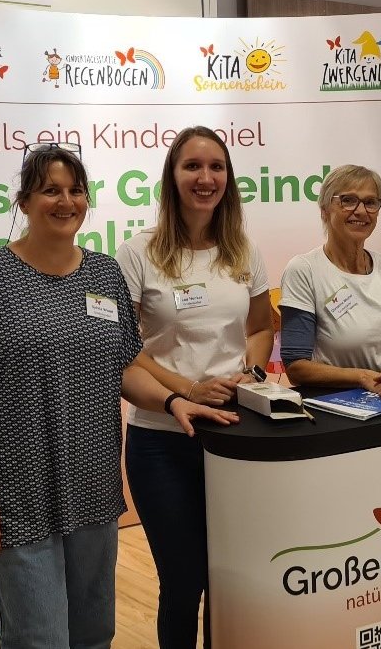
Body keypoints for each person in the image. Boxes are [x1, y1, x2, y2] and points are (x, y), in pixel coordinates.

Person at [0, 144, 237, 649]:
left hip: (92, 492)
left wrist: (171, 400)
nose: (65, 201)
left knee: (95, 635)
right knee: (40, 640)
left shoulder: (103, 275)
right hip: (15, 494)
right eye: (50, 190)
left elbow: (123, 367)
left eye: (75, 190)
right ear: (24, 201)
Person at [116, 126, 273, 649]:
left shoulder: (244, 250)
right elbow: (125, 351)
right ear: (172, 176)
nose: (206, 178)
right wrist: (186, 389)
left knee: (232, 578)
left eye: (217, 167)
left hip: (234, 433)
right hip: (163, 437)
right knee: (183, 584)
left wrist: (247, 375)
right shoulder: (137, 253)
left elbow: (259, 328)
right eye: (193, 166)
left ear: (228, 178)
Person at [279, 164, 381, 399]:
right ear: (324, 209)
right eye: (348, 200)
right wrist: (363, 377)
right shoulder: (305, 270)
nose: (361, 211)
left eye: (370, 202)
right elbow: (296, 367)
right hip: (343, 403)